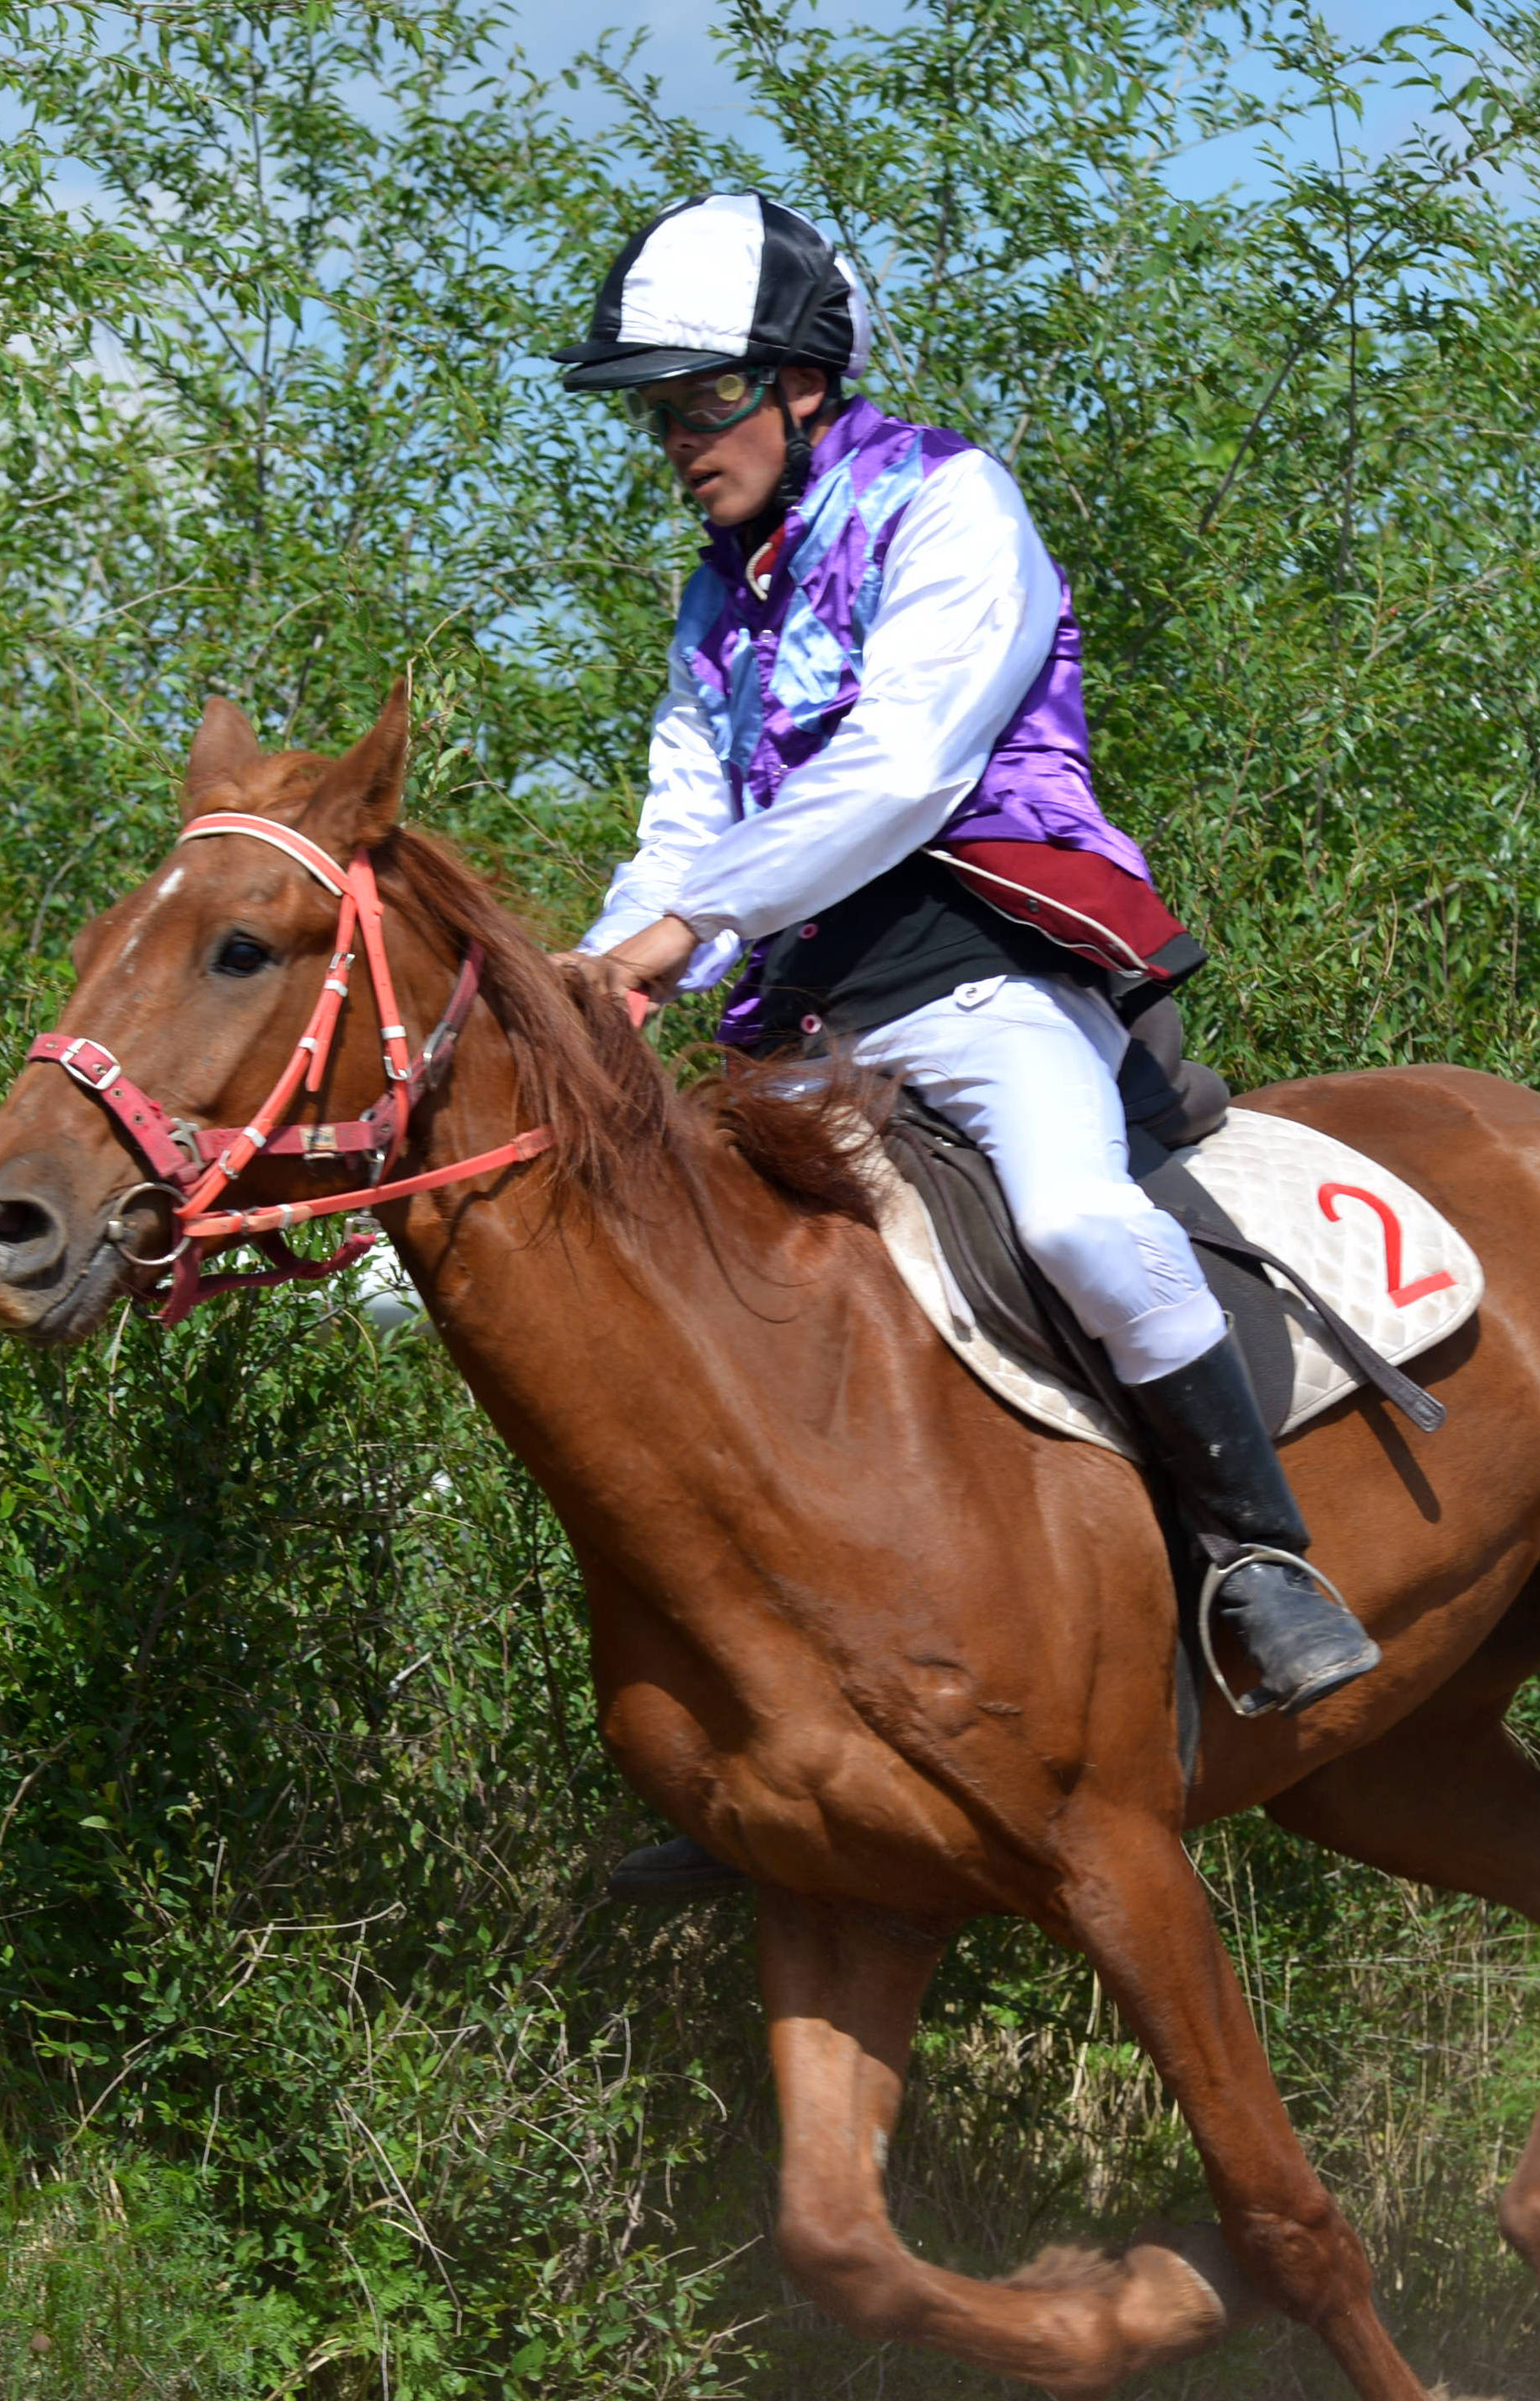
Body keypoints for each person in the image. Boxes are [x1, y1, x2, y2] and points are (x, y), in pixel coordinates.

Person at [552, 192, 1379, 1874]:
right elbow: (674, 818)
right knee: (709, 1308)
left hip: (990, 972)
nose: (671, 438)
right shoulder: (720, 598)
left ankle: (1255, 1556)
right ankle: (781, 1721)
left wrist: (680, 928)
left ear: (797, 382)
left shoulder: (947, 504)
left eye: (697, 397)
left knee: (1076, 1219)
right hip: (809, 1023)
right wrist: (575, 998)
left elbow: (900, 771)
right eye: (655, 408)